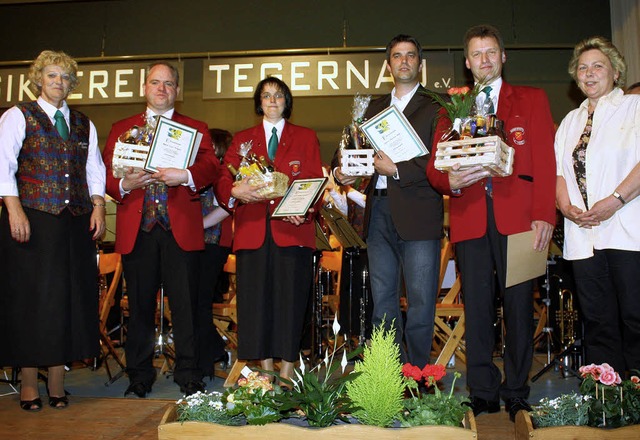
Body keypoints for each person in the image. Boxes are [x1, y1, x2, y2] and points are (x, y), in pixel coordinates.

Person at [427, 24, 556, 421]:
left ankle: (517, 388)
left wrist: (544, 216)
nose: (484, 59)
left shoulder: (531, 100)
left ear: (503, 56)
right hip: (470, 220)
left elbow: (547, 163)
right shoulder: (452, 106)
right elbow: (435, 168)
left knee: (519, 308)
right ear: (467, 63)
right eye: (476, 54)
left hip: (520, 220)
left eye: (491, 52)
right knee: (478, 308)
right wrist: (448, 180)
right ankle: (482, 390)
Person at [102, 61, 218, 397]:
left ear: (178, 91)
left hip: (179, 227)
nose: (162, 89)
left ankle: (189, 373)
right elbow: (107, 176)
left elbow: (211, 165)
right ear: (145, 87)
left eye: (169, 84)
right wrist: (124, 182)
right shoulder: (122, 128)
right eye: (156, 82)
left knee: (186, 306)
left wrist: (186, 176)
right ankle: (139, 374)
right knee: (138, 307)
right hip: (138, 229)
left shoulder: (195, 128)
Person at [0, 50, 106, 411]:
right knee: (33, 302)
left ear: (71, 84)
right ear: (38, 80)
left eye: (64, 77)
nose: (58, 82)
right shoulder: (19, 115)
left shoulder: (82, 123)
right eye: (51, 76)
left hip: (74, 220)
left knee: (69, 300)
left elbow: (94, 168)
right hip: (32, 218)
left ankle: (58, 383)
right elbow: (4, 163)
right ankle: (29, 385)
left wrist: (99, 206)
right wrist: (14, 209)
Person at [333, 34, 443, 369]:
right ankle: (388, 375)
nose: (404, 61)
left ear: (420, 64)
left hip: (420, 212)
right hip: (377, 210)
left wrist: (397, 169)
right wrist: (343, 172)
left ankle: (420, 378)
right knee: (382, 301)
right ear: (388, 65)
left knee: (422, 302)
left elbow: (440, 163)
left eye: (411, 55)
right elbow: (349, 153)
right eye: (398, 56)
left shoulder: (435, 107)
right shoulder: (372, 108)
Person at [216, 76, 323, 383]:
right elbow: (224, 180)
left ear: (286, 101)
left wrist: (303, 211)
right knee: (256, 303)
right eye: (266, 96)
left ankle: (288, 372)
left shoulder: (305, 136)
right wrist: (235, 191)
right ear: (259, 102)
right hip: (252, 233)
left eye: (278, 95)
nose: (272, 100)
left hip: (293, 232)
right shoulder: (242, 140)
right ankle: (265, 374)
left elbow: (314, 182)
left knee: (291, 302)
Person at [555, 36, 640, 376]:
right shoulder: (569, 122)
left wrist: (616, 200)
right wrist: (565, 207)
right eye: (582, 68)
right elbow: (559, 173)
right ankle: (608, 398)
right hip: (583, 235)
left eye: (598, 66)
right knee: (597, 320)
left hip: (627, 230)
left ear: (616, 73)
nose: (589, 74)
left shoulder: (634, 109)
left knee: (635, 316)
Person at [196, 128, 233, 379]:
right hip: (198, 242)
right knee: (195, 302)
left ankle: (211, 352)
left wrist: (197, 226)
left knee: (199, 300)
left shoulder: (225, 171)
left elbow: (226, 207)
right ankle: (212, 350)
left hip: (215, 242)